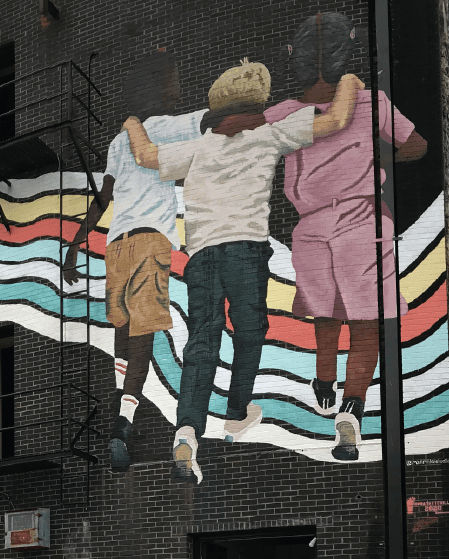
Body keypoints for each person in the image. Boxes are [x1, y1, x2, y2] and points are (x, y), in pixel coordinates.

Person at [125, 59, 360, 481]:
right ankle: (237, 409)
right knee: (250, 331)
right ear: (258, 102)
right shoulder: (269, 135)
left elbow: (144, 155)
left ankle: (186, 433)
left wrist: (131, 122)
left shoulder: (197, 148)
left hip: (201, 257)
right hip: (246, 252)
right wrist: (347, 80)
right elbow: (339, 118)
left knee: (202, 343)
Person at [262, 11, 428, 461]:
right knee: (366, 320)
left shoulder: (280, 115)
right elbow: (416, 145)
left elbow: (244, 137)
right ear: (345, 53)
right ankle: (351, 412)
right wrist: (370, 167)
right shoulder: (369, 101)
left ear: (295, 58)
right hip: (362, 218)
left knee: (324, 309)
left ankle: (323, 379)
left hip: (310, 223)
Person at [73, 48, 206, 472]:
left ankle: (118, 411)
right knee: (143, 341)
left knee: (123, 336)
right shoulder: (167, 126)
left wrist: (76, 242)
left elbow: (103, 198)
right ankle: (122, 424)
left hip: (116, 245)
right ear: (161, 88)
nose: (178, 88)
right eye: (174, 81)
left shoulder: (117, 141)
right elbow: (209, 119)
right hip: (149, 242)